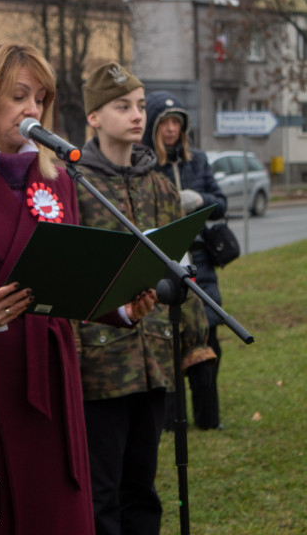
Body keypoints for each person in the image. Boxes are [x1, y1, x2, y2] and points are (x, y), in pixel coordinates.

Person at [0, 42, 155, 535]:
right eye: (19, 95)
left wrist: (120, 306)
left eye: (40, 98)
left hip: (50, 378)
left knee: (51, 513)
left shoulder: (58, 179)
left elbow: (70, 281)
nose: (32, 110)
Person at [75, 62, 216, 535]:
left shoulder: (158, 184)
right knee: (102, 493)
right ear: (93, 117)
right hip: (99, 364)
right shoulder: (77, 186)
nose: (137, 116)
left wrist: (192, 335)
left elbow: (179, 264)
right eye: (122, 106)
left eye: (139, 106)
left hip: (154, 358)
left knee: (144, 488)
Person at [142, 90, 228, 431]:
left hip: (201, 261)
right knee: (169, 339)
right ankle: (170, 419)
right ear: (154, 127)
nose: (171, 129)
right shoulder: (147, 165)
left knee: (209, 334)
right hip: (165, 260)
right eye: (165, 123)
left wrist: (199, 199)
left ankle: (208, 417)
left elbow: (220, 203)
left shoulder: (198, 162)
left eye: (177, 122)